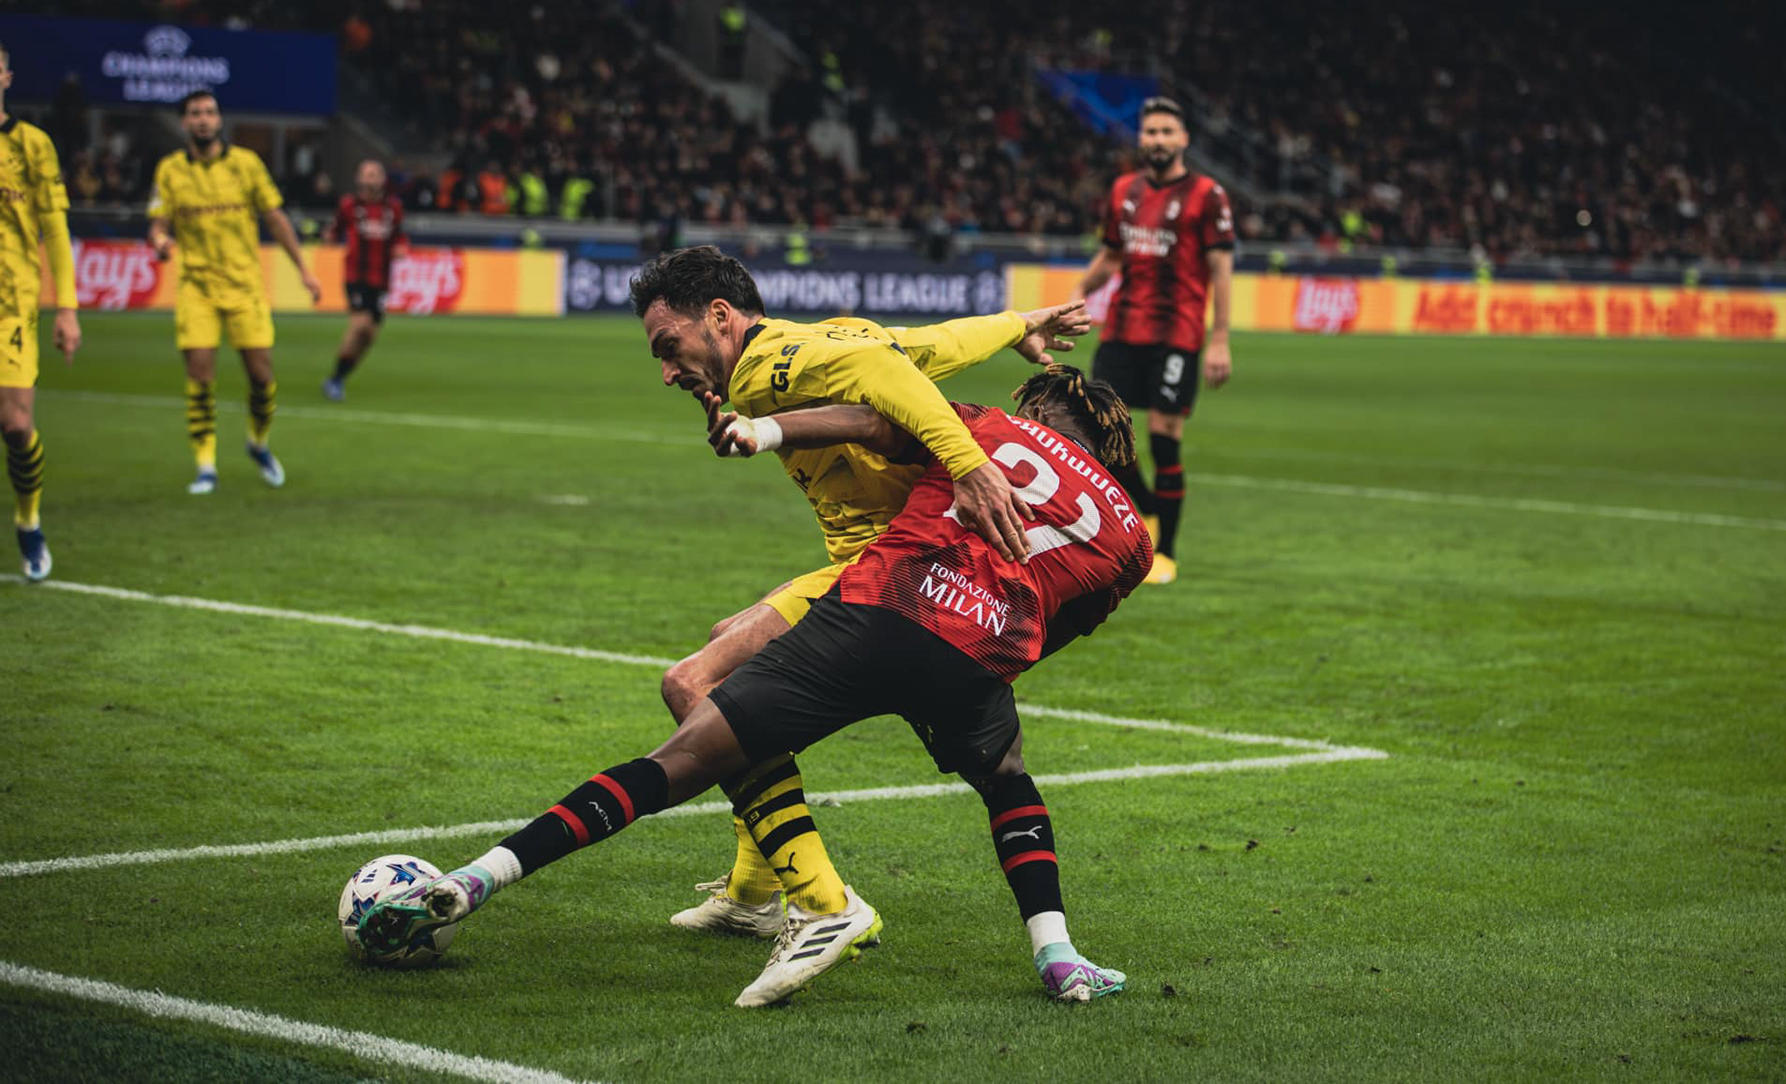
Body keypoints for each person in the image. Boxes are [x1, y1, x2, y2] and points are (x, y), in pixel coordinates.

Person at [357, 365, 1152, 1008]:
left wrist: (766, 429)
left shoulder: (988, 427)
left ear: (1043, 406)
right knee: (1006, 774)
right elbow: (1059, 624)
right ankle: (1058, 956)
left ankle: (477, 879)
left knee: (684, 750)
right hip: (981, 653)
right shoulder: (1131, 538)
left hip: (878, 610)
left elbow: (876, 420)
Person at [627, 246, 1089, 942]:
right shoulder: (827, 335)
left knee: (692, 683)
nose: (666, 372)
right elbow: (923, 346)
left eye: (670, 346)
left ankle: (821, 901)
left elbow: (884, 370)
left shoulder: (764, 365)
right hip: (909, 569)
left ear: (720, 317)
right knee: (733, 647)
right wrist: (1015, 323)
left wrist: (967, 462)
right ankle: (753, 890)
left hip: (890, 576)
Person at [1074, 97, 1236, 585]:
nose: (1158, 140)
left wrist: (1220, 339)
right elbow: (1110, 257)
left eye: (1168, 132)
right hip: (1123, 328)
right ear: (1141, 139)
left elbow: (1221, 271)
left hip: (1178, 333)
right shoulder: (1124, 190)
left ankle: (1165, 552)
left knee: (1164, 439)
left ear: (1184, 139)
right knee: (1102, 430)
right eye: (1151, 132)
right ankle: (1146, 510)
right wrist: (1077, 294)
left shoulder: (1208, 196)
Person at [148, 91, 322, 495]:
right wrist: (158, 241)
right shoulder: (170, 170)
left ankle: (257, 442)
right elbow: (158, 224)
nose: (204, 120)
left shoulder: (246, 165)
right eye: (195, 114)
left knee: (261, 376)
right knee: (200, 375)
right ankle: (205, 464)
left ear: (220, 119)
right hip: (197, 287)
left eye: (210, 112)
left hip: (245, 286)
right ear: (185, 123)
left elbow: (275, 218)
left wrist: (304, 271)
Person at [0, 41, 81, 580]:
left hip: (12, 303)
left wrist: (67, 309)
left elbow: (54, 230)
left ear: (5, 76)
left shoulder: (31, 145)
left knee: (14, 421)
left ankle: (28, 521)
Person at [322, 160, 409, 401]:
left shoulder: (393, 208)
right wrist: (327, 236)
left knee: (369, 335)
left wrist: (402, 248)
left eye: (375, 175)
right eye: (366, 175)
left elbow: (400, 236)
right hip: (356, 276)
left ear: (382, 179)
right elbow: (334, 229)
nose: (371, 179)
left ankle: (338, 376)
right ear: (359, 179)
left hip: (381, 279)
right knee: (359, 325)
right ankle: (336, 381)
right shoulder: (349, 205)